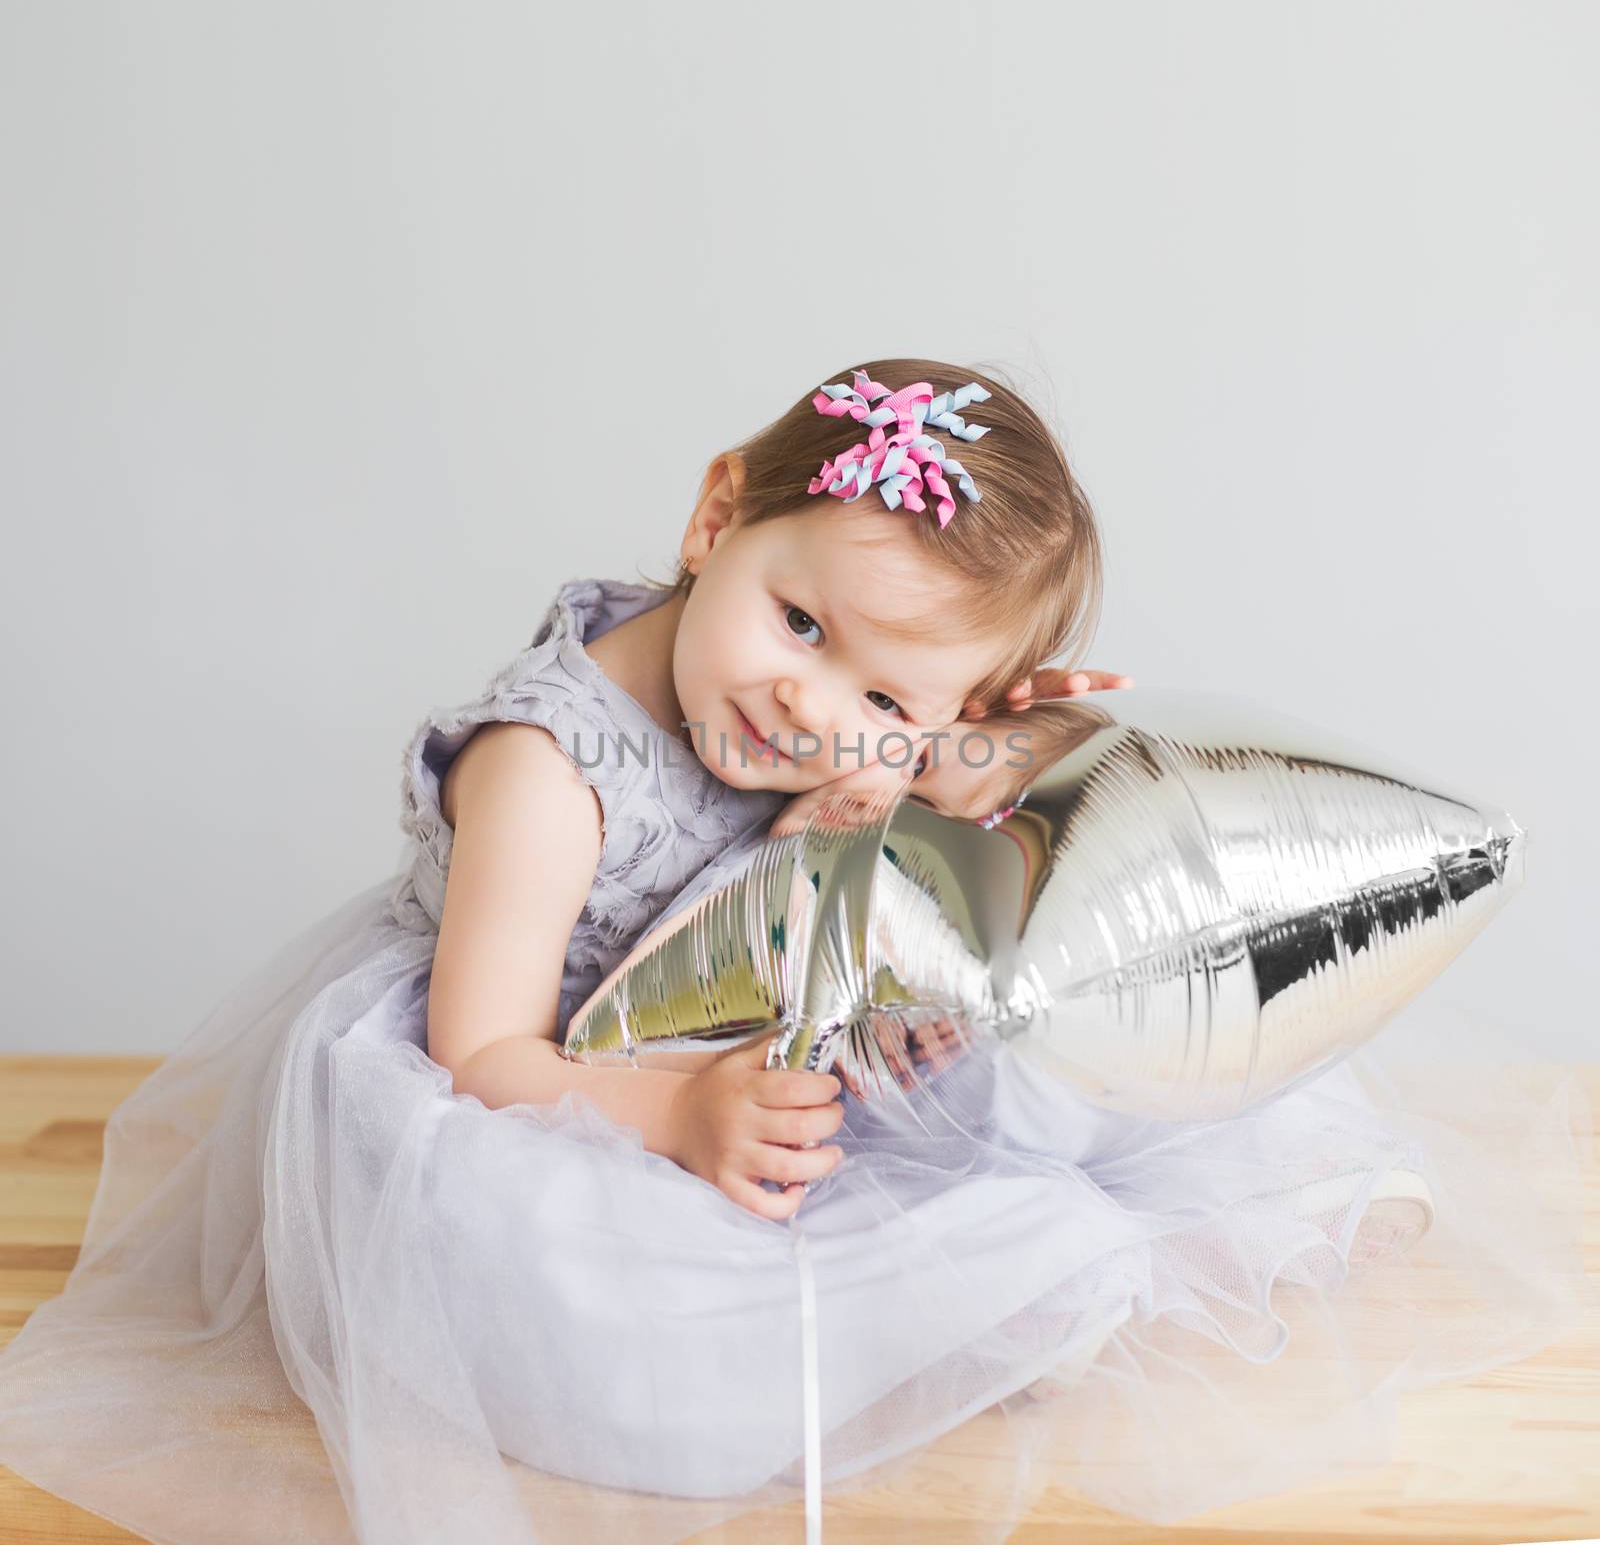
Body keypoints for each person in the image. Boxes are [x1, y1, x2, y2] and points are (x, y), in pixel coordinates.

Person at [0, 362, 1587, 1545]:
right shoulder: (547, 774)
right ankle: (956, 1310)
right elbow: (479, 1058)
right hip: (559, 1084)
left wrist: (989, 751)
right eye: (805, 628)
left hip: (762, 1023)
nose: (815, 714)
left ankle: (1192, 1224)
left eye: (896, 703)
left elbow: (824, 883)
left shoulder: (841, 719)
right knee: (593, 1296)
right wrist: (681, 1118)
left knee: (1054, 1032)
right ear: (713, 518)